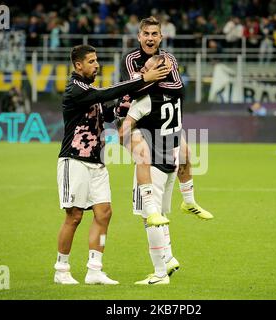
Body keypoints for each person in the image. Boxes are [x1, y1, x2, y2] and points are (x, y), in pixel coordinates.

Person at [54, 44, 170, 285]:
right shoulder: (75, 89)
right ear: (78, 65)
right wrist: (140, 79)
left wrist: (124, 105)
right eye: (91, 61)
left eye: (97, 60)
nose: (97, 65)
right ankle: (61, 269)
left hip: (97, 162)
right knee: (74, 216)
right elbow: (102, 95)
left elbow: (105, 112)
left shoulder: (88, 89)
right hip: (74, 160)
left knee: (104, 213)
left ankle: (94, 269)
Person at [118, 16, 214, 224]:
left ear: (161, 37)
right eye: (146, 34)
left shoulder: (169, 59)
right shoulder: (130, 59)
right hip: (132, 118)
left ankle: (188, 202)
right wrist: (152, 79)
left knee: (186, 153)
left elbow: (178, 88)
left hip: (158, 119)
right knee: (143, 154)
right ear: (139, 36)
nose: (150, 38)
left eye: (154, 34)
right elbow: (130, 90)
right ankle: (151, 209)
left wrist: (148, 80)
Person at [119, 55, 182, 285]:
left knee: (149, 217)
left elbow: (123, 130)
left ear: (159, 73)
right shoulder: (175, 95)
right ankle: (168, 257)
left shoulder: (145, 98)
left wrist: (130, 145)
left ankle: (159, 273)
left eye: (147, 68)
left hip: (151, 163)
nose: (141, 72)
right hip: (169, 162)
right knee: (160, 215)